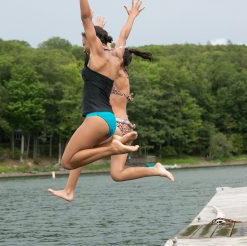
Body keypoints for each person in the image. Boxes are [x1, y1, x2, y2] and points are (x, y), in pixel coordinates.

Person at [48, 17, 174, 203]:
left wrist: (99, 36)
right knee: (117, 174)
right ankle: (154, 169)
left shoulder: (114, 71)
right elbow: (119, 39)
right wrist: (102, 32)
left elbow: (108, 49)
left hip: (113, 124)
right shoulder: (122, 73)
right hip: (123, 125)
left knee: (80, 151)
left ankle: (69, 189)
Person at [60, 0, 144, 171]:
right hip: (109, 120)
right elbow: (124, 35)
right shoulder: (117, 56)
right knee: (82, 153)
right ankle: (114, 144)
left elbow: (85, 17)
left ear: (92, 42)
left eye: (85, 44)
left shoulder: (97, 54)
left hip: (97, 118)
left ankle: (112, 147)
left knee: (67, 162)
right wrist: (132, 17)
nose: (84, 48)